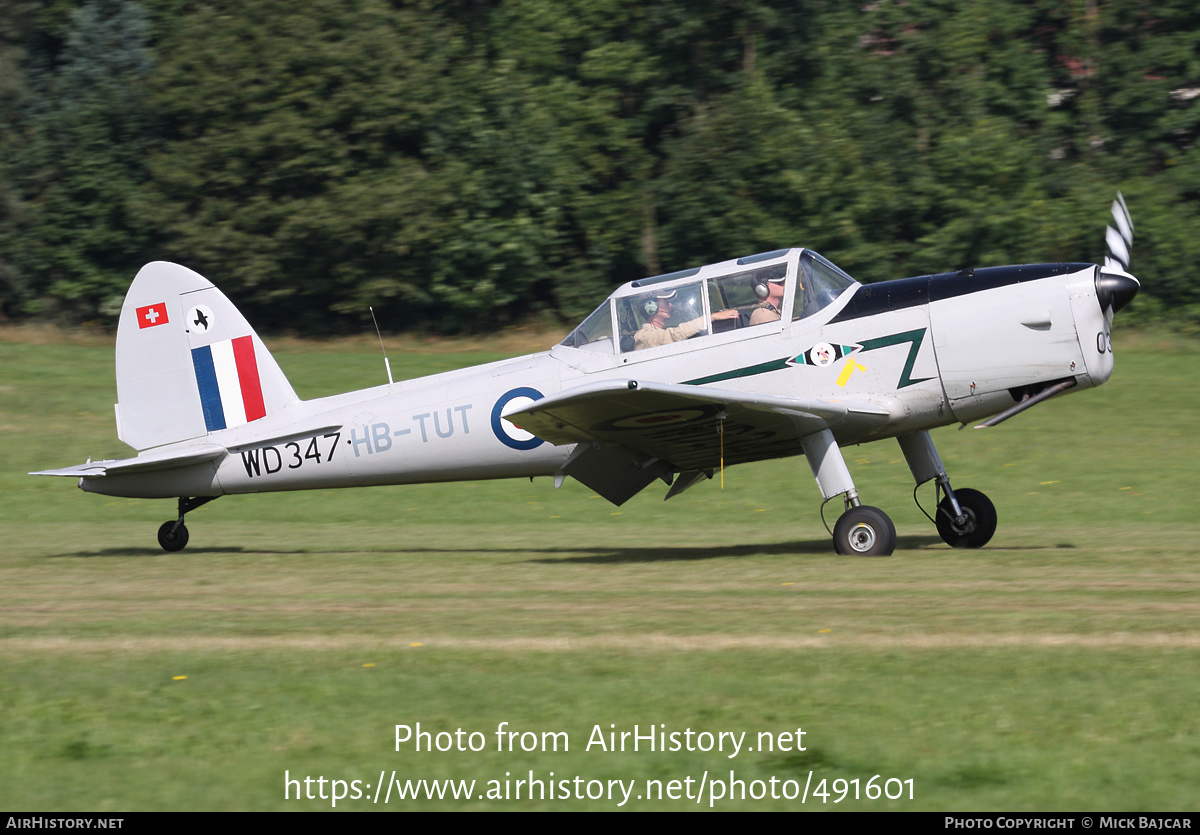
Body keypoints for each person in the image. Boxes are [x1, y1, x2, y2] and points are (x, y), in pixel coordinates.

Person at [632, 289, 740, 350]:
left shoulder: (656, 332)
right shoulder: (643, 336)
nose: (670, 306)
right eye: (666, 302)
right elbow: (674, 336)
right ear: (650, 306)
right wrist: (712, 317)